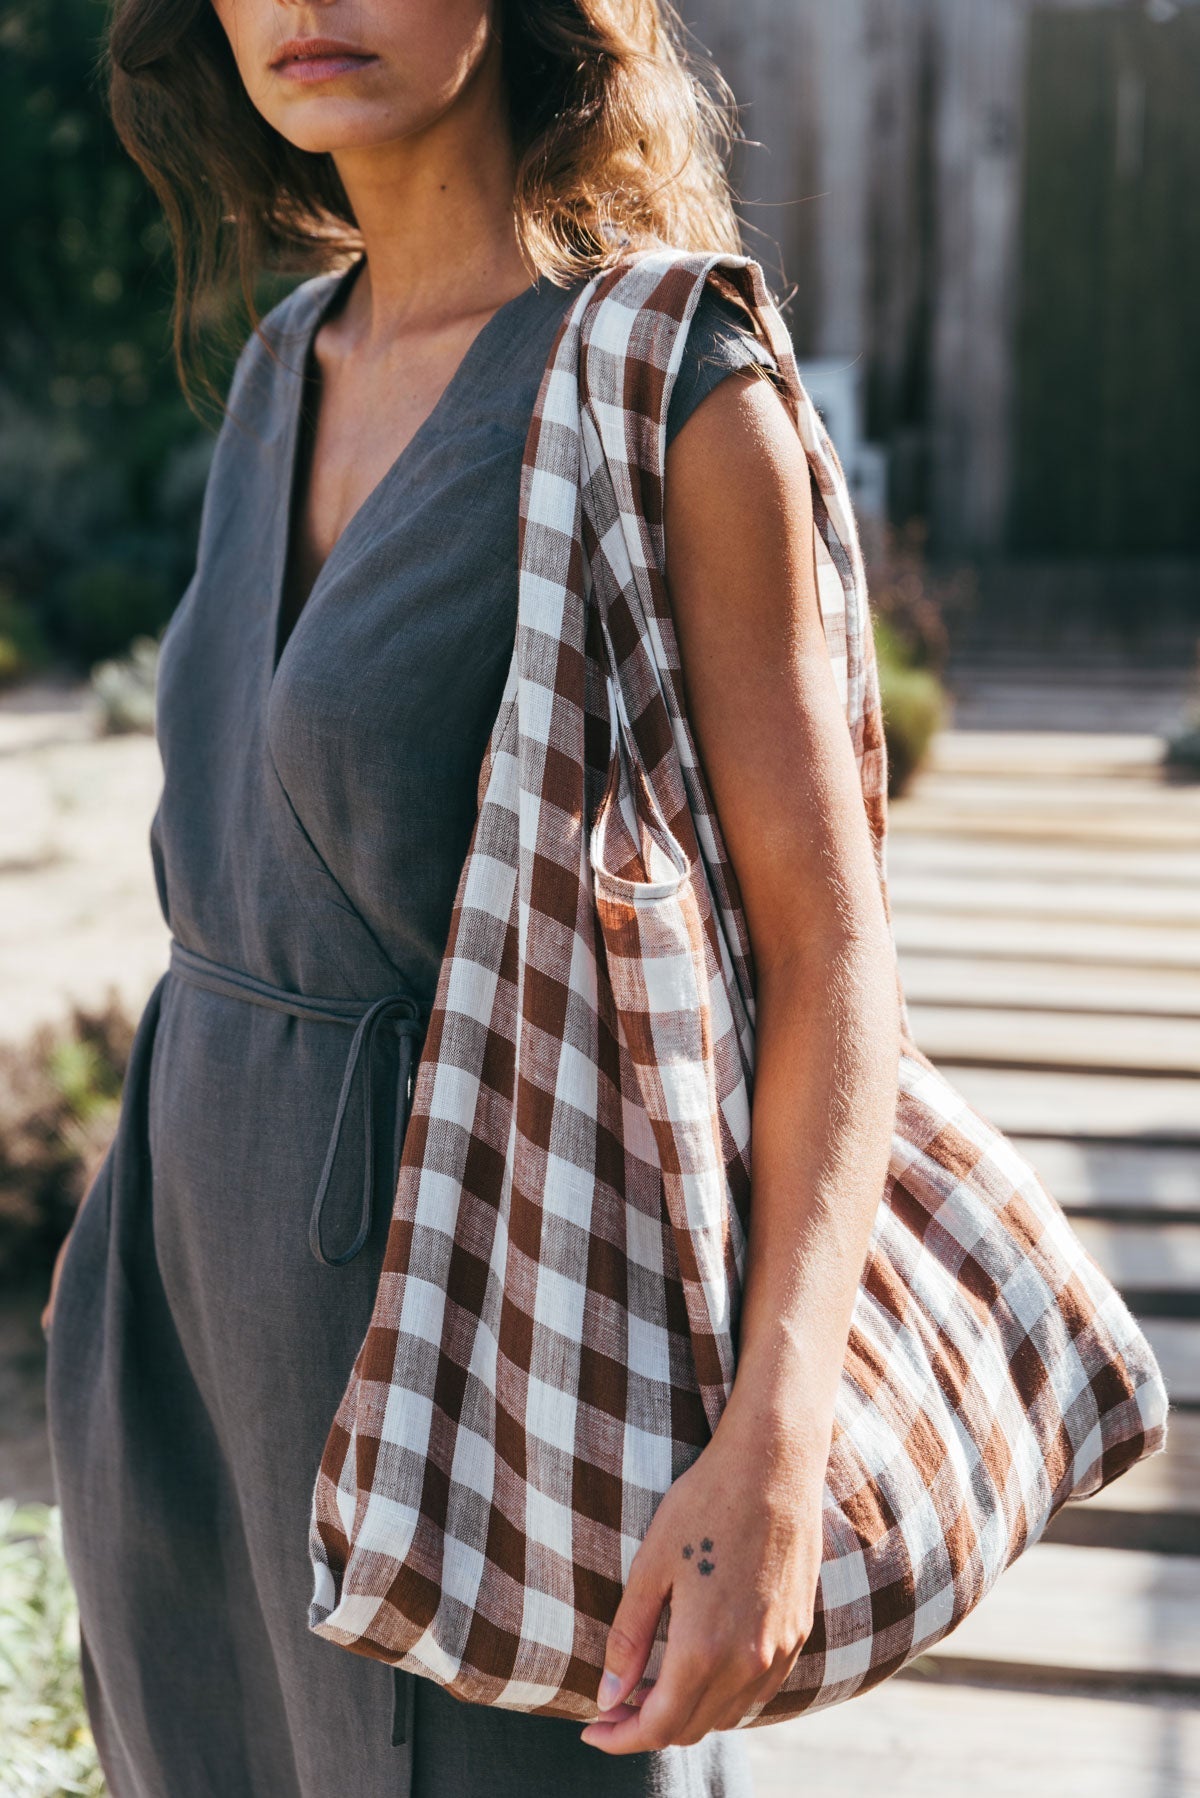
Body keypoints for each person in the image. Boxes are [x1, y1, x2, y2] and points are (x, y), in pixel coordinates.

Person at [42, 1, 902, 1793]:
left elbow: (831, 952)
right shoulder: (286, 360)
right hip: (182, 1354)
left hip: (496, 1362)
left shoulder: (669, 385)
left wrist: (778, 1434)